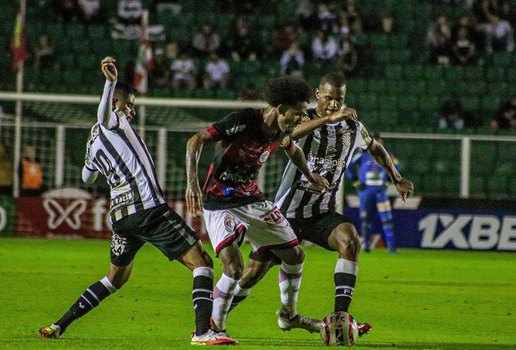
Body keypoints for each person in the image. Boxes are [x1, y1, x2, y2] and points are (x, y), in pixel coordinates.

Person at [39, 56, 234, 346]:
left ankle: (59, 324)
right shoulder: (112, 121)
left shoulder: (94, 142)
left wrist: (93, 161)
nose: (131, 110)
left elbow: (87, 177)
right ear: (115, 102)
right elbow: (105, 116)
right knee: (203, 263)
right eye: (128, 104)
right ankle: (203, 332)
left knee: (114, 279)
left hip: (121, 217)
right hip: (146, 208)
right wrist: (110, 83)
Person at [228, 73, 413, 335]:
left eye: (339, 99)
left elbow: (375, 147)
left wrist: (396, 178)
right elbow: (285, 137)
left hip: (321, 214)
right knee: (251, 275)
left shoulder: (353, 127)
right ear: (317, 95)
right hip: (286, 215)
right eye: (328, 98)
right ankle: (214, 318)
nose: (334, 104)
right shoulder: (303, 117)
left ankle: (340, 317)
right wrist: (327, 119)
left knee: (349, 241)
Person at [185, 76, 330, 342]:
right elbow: (195, 141)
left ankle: (289, 314)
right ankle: (211, 329)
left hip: (253, 200)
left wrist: (309, 175)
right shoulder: (244, 121)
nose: (300, 120)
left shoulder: (282, 130)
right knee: (234, 266)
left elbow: (293, 150)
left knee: (295, 256)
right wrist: (192, 184)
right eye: (296, 114)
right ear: (280, 108)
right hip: (220, 202)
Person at [347, 133, 400, 253]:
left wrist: (389, 180)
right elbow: (348, 166)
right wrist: (355, 181)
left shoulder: (388, 155)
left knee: (387, 220)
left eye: (379, 142)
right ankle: (366, 246)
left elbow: (398, 166)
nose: (378, 144)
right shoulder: (362, 155)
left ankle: (391, 248)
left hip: (381, 193)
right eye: (376, 142)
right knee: (365, 220)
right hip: (366, 193)